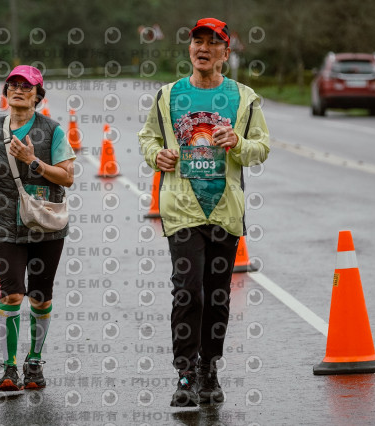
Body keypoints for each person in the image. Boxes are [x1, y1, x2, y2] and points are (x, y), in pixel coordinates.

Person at [138, 18, 270, 406]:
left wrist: (239, 142)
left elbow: (262, 146)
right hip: (181, 209)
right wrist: (155, 155)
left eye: (214, 43)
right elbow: (148, 136)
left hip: (225, 210)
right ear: (190, 49)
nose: (204, 48)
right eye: (198, 41)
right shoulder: (168, 95)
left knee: (216, 297)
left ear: (226, 53)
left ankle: (210, 370)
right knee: (187, 292)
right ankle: (185, 374)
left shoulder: (244, 98)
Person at [0, 65, 75, 391]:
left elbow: (67, 176)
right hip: (3, 224)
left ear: (37, 95)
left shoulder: (53, 131)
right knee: (12, 292)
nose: (18, 89)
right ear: (6, 93)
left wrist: (33, 161)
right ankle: (9, 368)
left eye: (26, 86)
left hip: (45, 224)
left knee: (40, 298)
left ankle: (35, 361)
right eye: (13, 85)